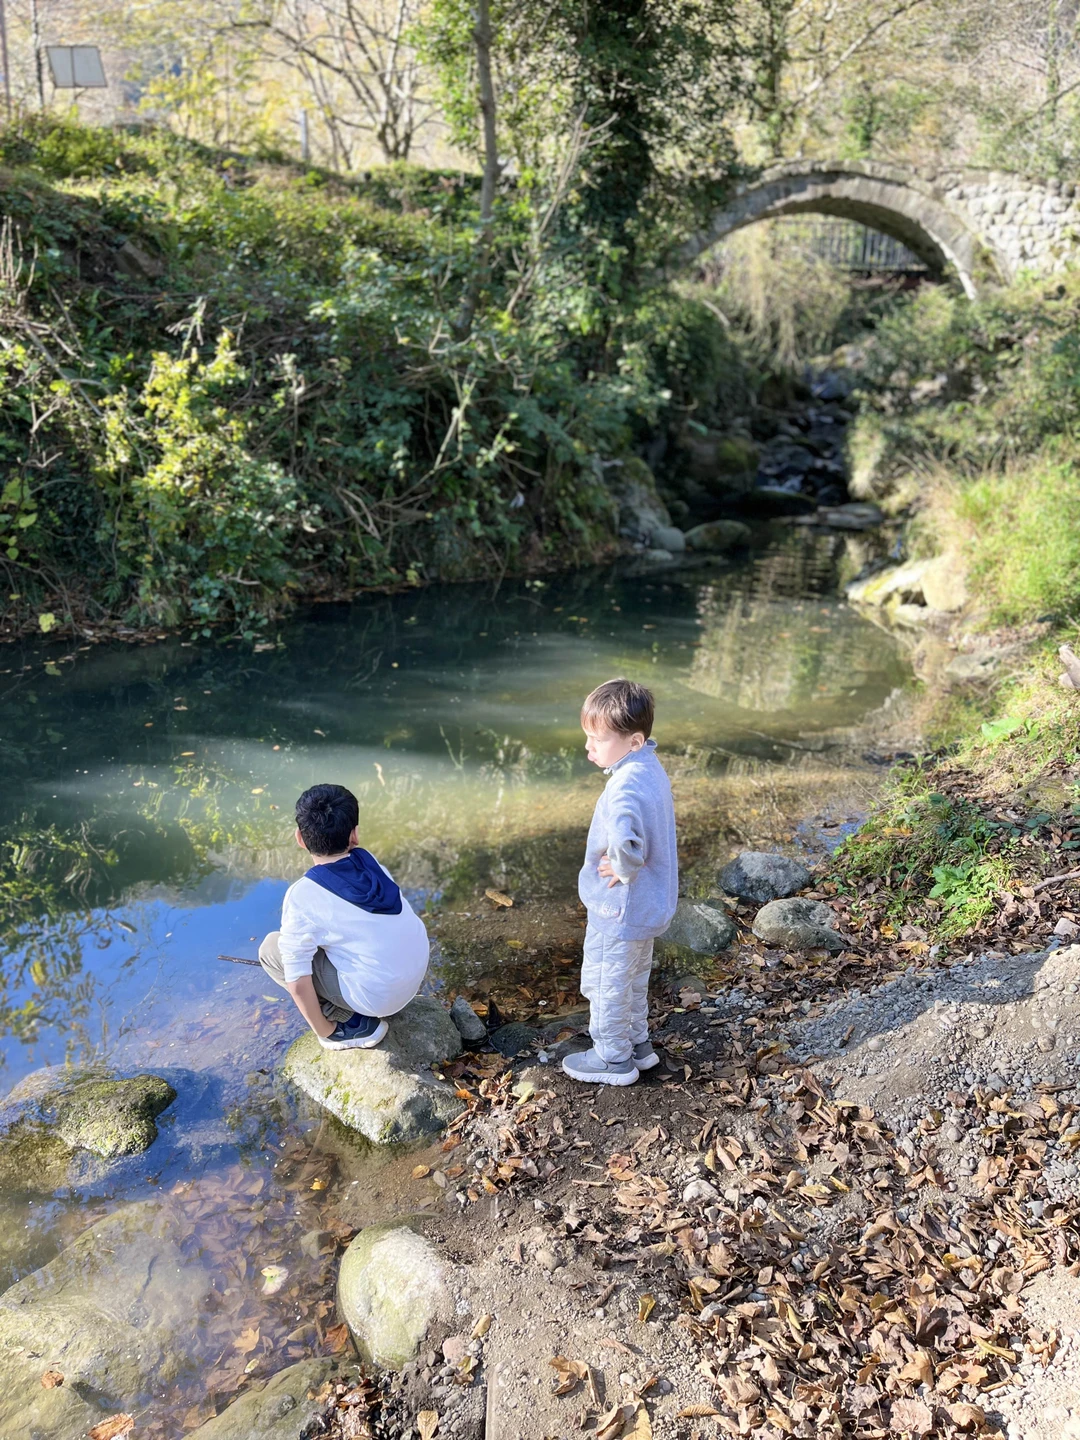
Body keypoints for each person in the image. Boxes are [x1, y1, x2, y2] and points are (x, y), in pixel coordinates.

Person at [563, 678, 678, 1086]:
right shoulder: (649, 765)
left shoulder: (623, 785)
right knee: (633, 977)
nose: (589, 748)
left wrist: (623, 863)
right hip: (646, 905)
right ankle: (638, 1044)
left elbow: (627, 838)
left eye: (597, 739)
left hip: (619, 906)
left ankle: (613, 1058)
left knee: (606, 979)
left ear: (633, 741)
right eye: (588, 737)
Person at [259, 783, 429, 1050]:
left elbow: (297, 980)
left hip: (379, 998)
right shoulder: (371, 863)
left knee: (271, 948)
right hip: (413, 975)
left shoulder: (303, 894)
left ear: (299, 838)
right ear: (355, 835)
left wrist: (325, 1032)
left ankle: (349, 1025)